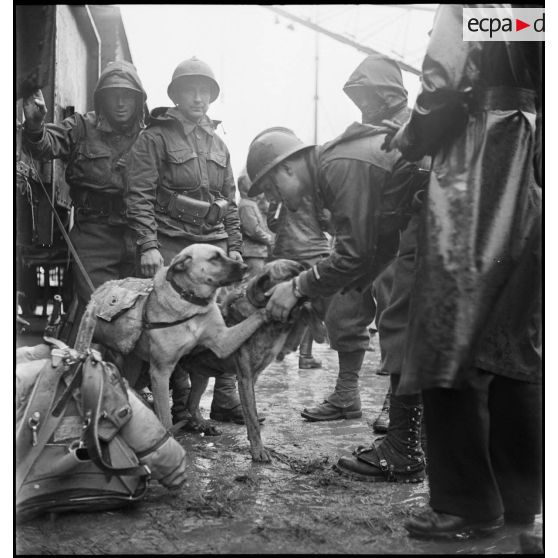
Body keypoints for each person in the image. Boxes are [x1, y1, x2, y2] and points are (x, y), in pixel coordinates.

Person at [384, 4, 542, 539]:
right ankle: (520, 497)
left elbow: (442, 87)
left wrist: (409, 139)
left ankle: (466, 504)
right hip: (533, 170)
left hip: (480, 168)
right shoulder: (535, 13)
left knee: (448, 334)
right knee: (513, 342)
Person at [246, 56, 426, 450]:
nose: (276, 200)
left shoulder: (338, 166)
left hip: (437, 231)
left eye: (273, 190)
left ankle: (402, 447)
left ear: (287, 169)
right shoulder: (333, 166)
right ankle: (410, 435)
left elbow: (356, 254)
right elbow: (369, 251)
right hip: (422, 234)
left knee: (402, 324)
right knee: (401, 323)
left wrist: (297, 288)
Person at [124, 57, 248, 426]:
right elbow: (139, 193)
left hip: (214, 244)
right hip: (172, 242)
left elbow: (230, 198)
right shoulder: (155, 137)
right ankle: (178, 406)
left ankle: (221, 399)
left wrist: (235, 244)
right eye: (190, 90)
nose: (198, 97)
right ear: (176, 95)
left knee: (221, 319)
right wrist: (148, 245)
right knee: (170, 326)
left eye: (204, 91)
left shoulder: (218, 143)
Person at [22, 61, 147, 344]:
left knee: (138, 313)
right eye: (113, 94)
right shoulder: (80, 126)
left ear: (138, 98)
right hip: (94, 234)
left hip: (137, 235)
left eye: (127, 95)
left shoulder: (149, 136)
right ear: (101, 97)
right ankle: (93, 378)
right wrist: (35, 125)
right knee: (101, 309)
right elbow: (45, 146)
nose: (120, 102)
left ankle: (131, 385)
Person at [264, 138, 332, 370]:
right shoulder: (313, 187)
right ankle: (305, 354)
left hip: (284, 250)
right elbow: (326, 220)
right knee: (310, 300)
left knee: (281, 300)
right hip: (314, 249)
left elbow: (271, 222)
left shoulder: (279, 192)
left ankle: (278, 348)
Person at [237, 168, 274, 277]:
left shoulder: (250, 204)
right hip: (253, 253)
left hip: (257, 252)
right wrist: (268, 238)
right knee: (254, 283)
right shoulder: (246, 205)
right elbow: (252, 230)